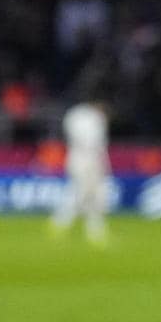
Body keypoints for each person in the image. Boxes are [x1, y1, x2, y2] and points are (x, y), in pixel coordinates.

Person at [49, 96, 112, 247]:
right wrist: (105, 165)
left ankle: (93, 229)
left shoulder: (74, 114)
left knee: (86, 194)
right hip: (87, 158)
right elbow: (95, 144)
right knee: (85, 194)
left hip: (76, 157)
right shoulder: (95, 118)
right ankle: (61, 222)